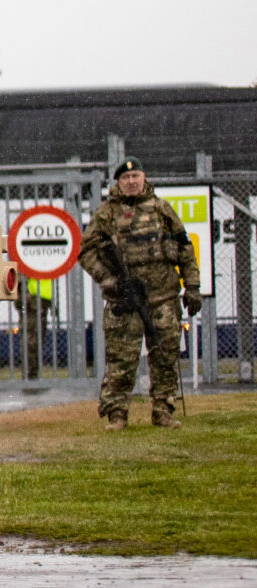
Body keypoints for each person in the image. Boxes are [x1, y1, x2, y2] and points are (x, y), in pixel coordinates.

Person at [79, 159, 201, 429]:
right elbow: (85, 251)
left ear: (144, 178)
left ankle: (163, 410)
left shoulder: (162, 209)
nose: (131, 181)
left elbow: (185, 249)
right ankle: (117, 414)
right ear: (118, 183)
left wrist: (192, 287)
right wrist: (107, 279)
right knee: (121, 359)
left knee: (165, 354)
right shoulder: (106, 213)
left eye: (136, 176)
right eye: (126, 178)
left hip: (163, 298)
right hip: (125, 299)